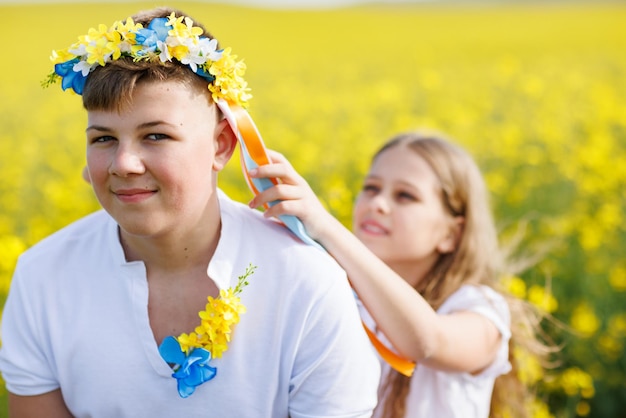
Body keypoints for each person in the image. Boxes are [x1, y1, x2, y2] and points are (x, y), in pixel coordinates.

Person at [0, 7, 381, 417]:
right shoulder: (43, 276)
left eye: (156, 135)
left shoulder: (305, 283)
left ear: (221, 146)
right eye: (104, 138)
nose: (123, 163)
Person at [248, 131, 553, 418]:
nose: (378, 204)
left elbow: (428, 342)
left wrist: (325, 227)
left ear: (451, 233)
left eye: (405, 196)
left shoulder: (481, 310)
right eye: (371, 188)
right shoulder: (338, 293)